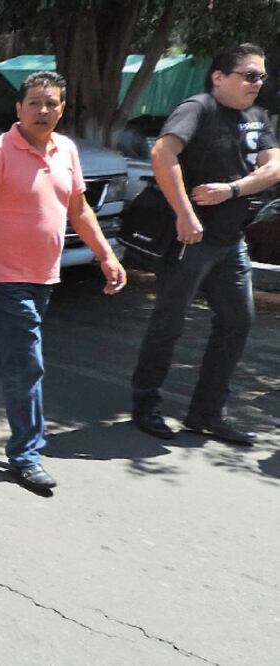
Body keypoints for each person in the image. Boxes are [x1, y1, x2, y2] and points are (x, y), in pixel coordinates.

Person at [0, 72, 127, 492]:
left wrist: (105, 254)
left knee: (0, 345)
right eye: (35, 103)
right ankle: (26, 453)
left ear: (62, 108)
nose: (44, 110)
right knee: (27, 362)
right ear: (18, 108)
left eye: (53, 103)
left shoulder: (67, 151)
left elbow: (79, 210)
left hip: (44, 273)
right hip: (4, 276)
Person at [131, 43, 280, 446]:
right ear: (219, 76)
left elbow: (275, 167)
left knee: (237, 322)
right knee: (169, 323)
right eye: (250, 75)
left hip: (231, 242)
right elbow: (163, 153)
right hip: (191, 240)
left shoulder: (257, 116)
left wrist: (232, 190)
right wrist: (184, 212)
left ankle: (206, 414)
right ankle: (146, 404)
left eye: (261, 76)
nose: (257, 83)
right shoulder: (197, 109)